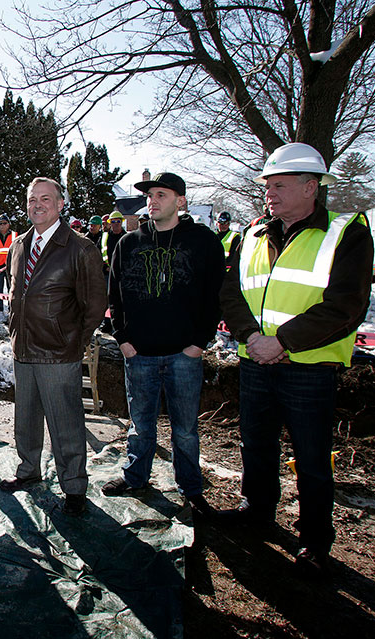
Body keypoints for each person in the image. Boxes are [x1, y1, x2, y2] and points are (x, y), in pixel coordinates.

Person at [218, 143, 373, 577]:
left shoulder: (347, 233)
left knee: (311, 456)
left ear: (311, 187)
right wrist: (250, 336)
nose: (270, 193)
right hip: (256, 362)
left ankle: (314, 540)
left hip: (309, 367)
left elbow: (345, 305)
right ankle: (258, 511)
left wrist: (280, 341)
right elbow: (231, 292)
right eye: (267, 186)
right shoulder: (252, 234)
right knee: (257, 445)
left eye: (280, 185)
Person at [103, 172, 224, 517]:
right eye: (149, 195)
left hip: (184, 355)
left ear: (180, 201)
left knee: (185, 430)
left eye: (161, 194)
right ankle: (136, 476)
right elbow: (115, 296)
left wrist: (199, 342)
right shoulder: (128, 244)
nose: (152, 201)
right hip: (139, 355)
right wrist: (122, 339)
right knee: (141, 424)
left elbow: (215, 296)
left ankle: (190, 487)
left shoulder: (203, 242)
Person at [0, 177, 107, 517]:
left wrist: (73, 340)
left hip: (59, 353)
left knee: (66, 425)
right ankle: (28, 471)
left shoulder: (80, 248)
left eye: (46, 199)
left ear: (60, 204)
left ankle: (74, 486)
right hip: (24, 349)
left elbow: (94, 303)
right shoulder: (18, 246)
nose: (38, 205)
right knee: (25, 419)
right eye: (32, 199)